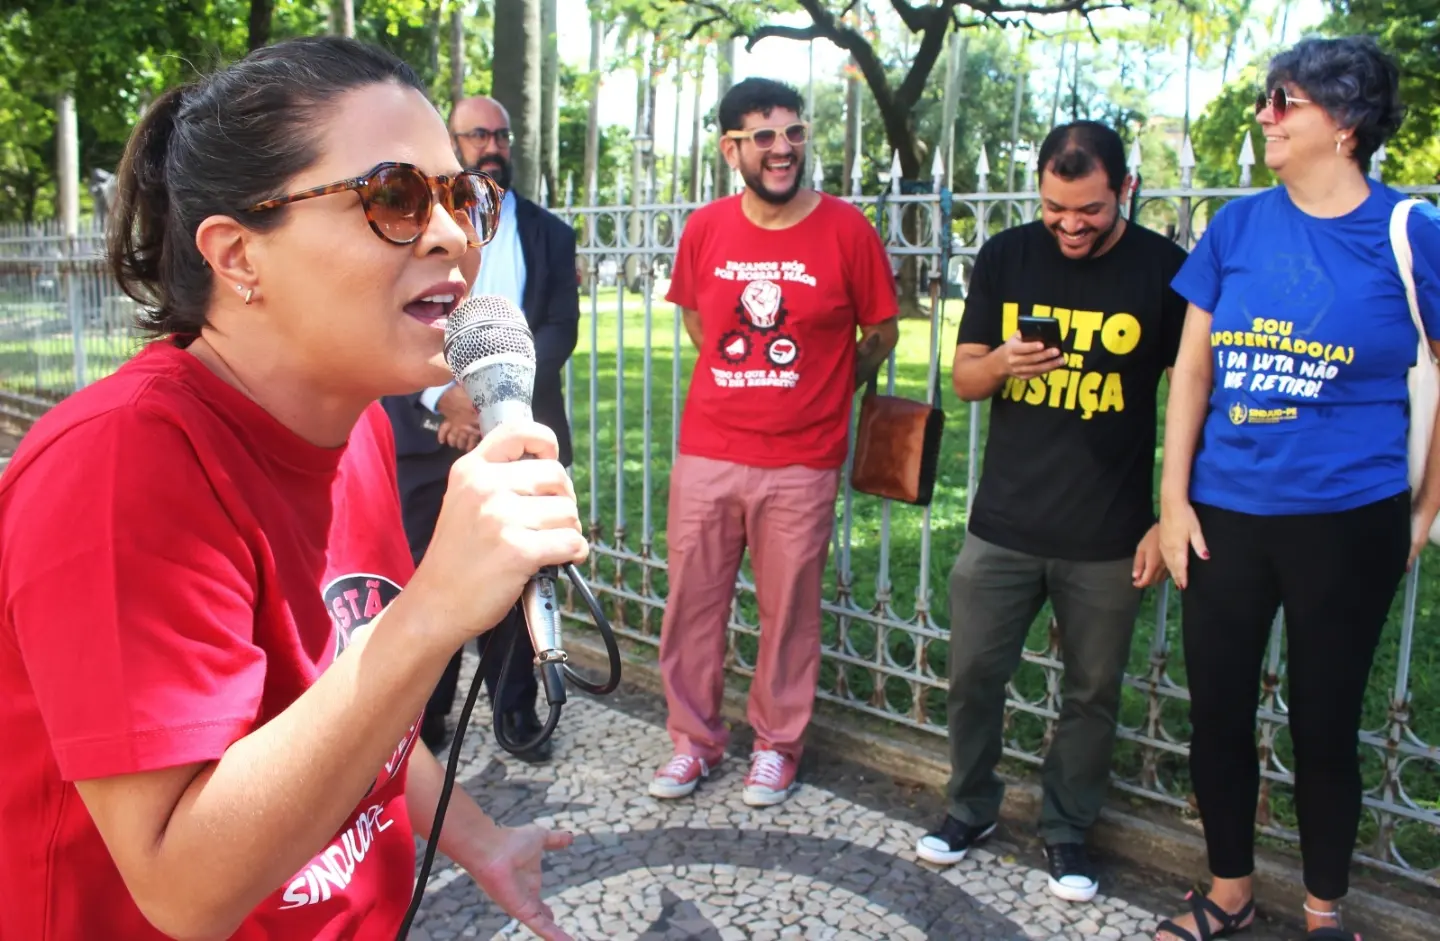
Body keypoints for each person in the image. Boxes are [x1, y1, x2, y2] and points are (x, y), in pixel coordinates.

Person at [0, 37, 586, 941]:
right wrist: (433, 609)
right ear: (238, 256)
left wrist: (479, 838)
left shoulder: (355, 425)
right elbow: (184, 892)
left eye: (461, 196)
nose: (453, 235)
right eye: (395, 197)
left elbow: (344, 692)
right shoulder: (118, 466)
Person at [1156, 36, 1440, 941]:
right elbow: (1192, 371)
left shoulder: (1410, 232)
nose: (1265, 116)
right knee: (1218, 715)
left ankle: (1324, 913)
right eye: (1268, 99)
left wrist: (1425, 508)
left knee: (1325, 723)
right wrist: (1172, 501)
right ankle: (1229, 891)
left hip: (1346, 520)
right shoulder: (1237, 226)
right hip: (1226, 514)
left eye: (1284, 101)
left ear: (1345, 121)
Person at [915, 121, 1188, 904]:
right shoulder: (1007, 255)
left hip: (1109, 533)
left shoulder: (1164, 270)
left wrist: (1165, 515)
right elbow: (965, 377)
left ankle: (1068, 826)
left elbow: (1190, 397)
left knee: (1092, 692)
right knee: (973, 675)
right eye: (1054, 208)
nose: (1070, 225)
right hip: (1004, 523)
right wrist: (1004, 362)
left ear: (1125, 189)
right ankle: (970, 806)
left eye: (1090, 210)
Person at [647, 77, 899, 808]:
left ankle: (776, 747)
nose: (782, 148)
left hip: (802, 460)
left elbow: (882, 331)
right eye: (763, 136)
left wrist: (831, 382)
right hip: (709, 450)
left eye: (793, 132)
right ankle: (693, 742)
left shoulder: (848, 230)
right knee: (693, 605)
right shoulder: (706, 228)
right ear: (732, 149)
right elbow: (698, 319)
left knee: (789, 613)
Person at [382, 93, 579, 760]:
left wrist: (497, 398)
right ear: (452, 143)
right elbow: (392, 322)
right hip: (428, 431)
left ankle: (516, 709)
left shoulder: (550, 234)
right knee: (420, 577)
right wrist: (445, 397)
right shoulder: (413, 228)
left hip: (518, 429)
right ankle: (425, 714)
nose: (491, 146)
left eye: (500, 134)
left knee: (516, 573)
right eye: (476, 135)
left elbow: (559, 330)